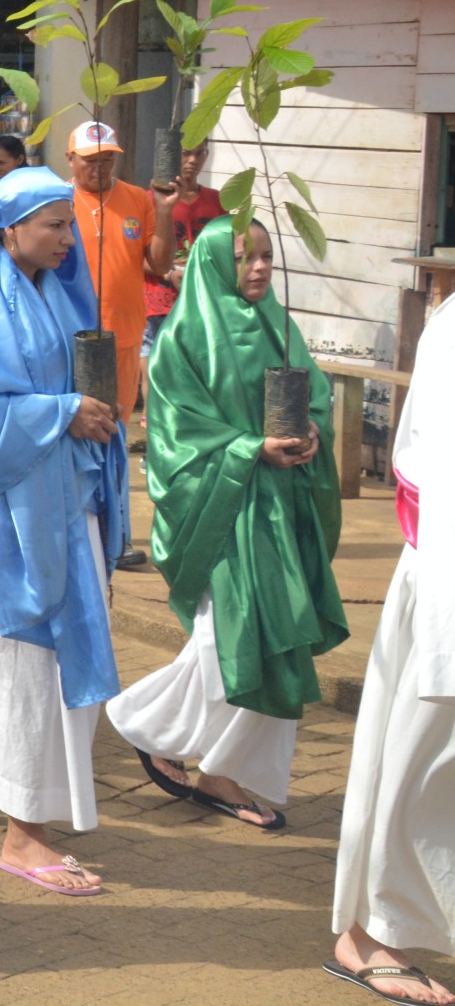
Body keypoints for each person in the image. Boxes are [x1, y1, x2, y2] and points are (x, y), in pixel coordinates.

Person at [109, 218, 343, 831]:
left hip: (279, 511)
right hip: (225, 510)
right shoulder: (185, 338)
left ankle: (202, 757)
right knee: (228, 642)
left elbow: (314, 395)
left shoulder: (278, 326)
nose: (260, 268)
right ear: (217, 262)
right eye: (246, 257)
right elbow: (177, 440)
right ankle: (151, 725)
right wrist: (249, 450)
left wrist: (314, 429)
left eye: (266, 256)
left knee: (269, 640)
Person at [0, 166, 127, 897]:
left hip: (61, 502)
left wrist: (88, 414)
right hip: (13, 513)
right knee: (25, 666)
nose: (65, 237)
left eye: (68, 222)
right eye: (52, 223)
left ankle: (27, 813)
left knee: (39, 669)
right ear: (9, 227)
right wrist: (62, 413)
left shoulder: (53, 289)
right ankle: (24, 834)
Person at [329, 297, 455, 1004]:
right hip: (449, 572)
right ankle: (374, 935)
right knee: (417, 760)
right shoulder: (454, 331)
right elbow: (443, 475)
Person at [67, 120, 178, 419]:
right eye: (90, 160)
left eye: (107, 160)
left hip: (124, 333)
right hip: (70, 333)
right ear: (70, 159)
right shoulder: (57, 200)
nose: (100, 168)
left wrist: (165, 210)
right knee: (78, 423)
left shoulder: (138, 198)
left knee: (115, 422)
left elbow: (160, 264)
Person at [142, 141, 227, 360]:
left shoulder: (217, 201)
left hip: (203, 300)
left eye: (200, 154)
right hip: (159, 301)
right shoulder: (149, 199)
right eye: (186, 153)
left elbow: (227, 250)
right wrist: (169, 273)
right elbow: (134, 255)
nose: (193, 160)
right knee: (156, 367)